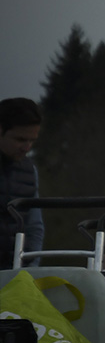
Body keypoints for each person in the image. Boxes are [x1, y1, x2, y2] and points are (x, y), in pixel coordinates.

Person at [1, 98, 44, 267]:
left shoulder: (29, 171)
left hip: (13, 273)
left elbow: (35, 227)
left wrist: (30, 271)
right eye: (20, 139)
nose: (27, 147)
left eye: (32, 141)